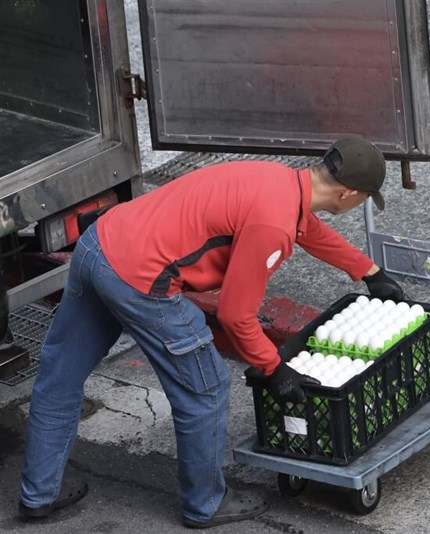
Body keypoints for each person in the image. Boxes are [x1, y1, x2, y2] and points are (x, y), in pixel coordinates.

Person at [18, 135, 404, 528]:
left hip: (98, 244)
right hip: (141, 280)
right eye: (365, 198)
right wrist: (274, 369)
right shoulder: (274, 222)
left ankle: (38, 493)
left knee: (59, 376)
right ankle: (206, 503)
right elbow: (237, 314)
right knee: (206, 389)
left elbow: (307, 228)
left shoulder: (278, 181)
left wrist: (367, 272)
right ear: (349, 193)